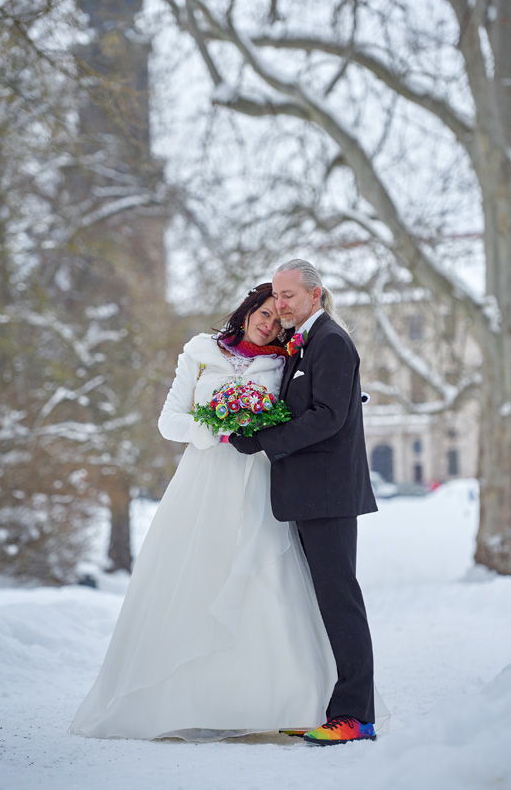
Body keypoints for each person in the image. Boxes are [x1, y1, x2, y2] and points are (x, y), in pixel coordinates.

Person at [69, 283, 338, 741]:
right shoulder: (199, 350)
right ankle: (186, 702)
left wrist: (253, 426)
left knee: (263, 577)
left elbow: (296, 418)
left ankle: (279, 701)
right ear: (249, 309)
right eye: (264, 313)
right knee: (196, 574)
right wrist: (218, 426)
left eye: (278, 319)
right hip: (203, 477)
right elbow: (169, 421)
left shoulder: (283, 361)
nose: (269, 323)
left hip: (257, 478)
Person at [230, 260, 379, 745]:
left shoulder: (331, 341)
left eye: (289, 295)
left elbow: (329, 417)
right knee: (326, 603)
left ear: (315, 294)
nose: (281, 304)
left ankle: (355, 717)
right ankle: (331, 707)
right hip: (310, 495)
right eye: (277, 295)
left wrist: (264, 439)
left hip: (328, 496)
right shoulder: (305, 342)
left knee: (341, 602)